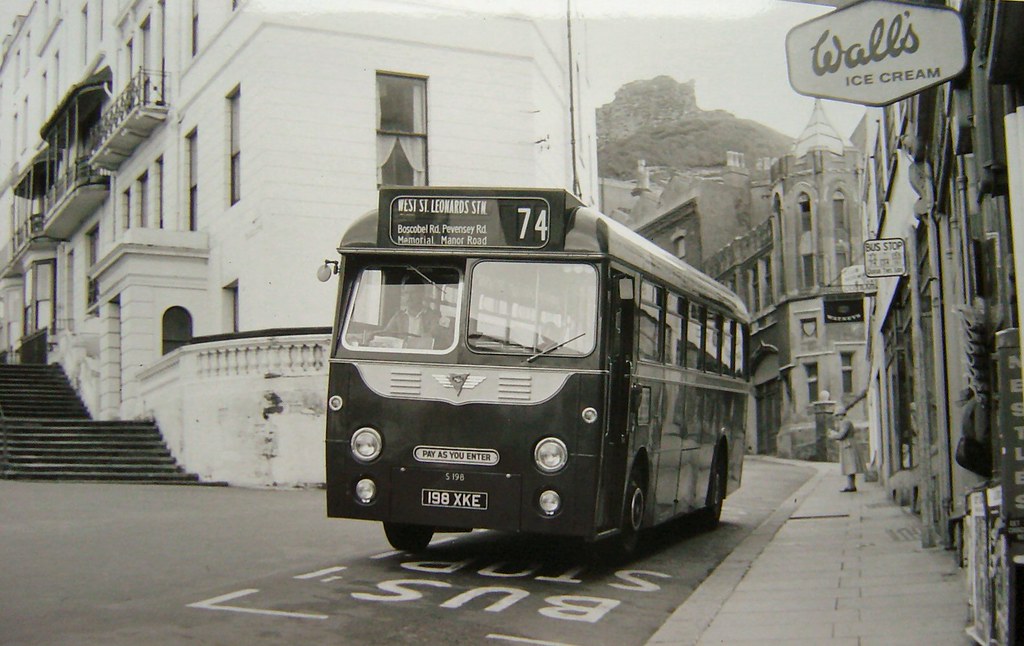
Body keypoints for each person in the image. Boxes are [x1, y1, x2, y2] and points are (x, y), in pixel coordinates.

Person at [381, 285, 442, 349]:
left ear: (421, 294)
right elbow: (385, 334)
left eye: (413, 293)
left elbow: (438, 338)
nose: (409, 297)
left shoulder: (433, 316)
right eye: (406, 293)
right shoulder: (399, 316)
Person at [829, 405, 864, 492]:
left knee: (850, 466)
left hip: (848, 445)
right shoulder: (846, 422)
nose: (837, 418)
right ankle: (851, 485)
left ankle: (851, 486)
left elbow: (841, 435)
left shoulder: (845, 422)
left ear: (841, 414)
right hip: (848, 444)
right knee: (850, 467)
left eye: (837, 415)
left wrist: (833, 435)